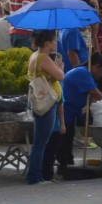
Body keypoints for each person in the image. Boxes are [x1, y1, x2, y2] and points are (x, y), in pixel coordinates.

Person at [25, 30, 65, 185]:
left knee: (40, 142)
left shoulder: (34, 55)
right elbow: (60, 76)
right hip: (47, 102)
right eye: (54, 41)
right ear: (48, 43)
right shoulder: (44, 58)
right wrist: (59, 66)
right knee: (41, 142)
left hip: (43, 100)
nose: (55, 44)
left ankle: (37, 175)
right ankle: (34, 176)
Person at [56, 54, 102, 170]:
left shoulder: (85, 73)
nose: (101, 76)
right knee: (65, 139)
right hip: (66, 110)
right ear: (96, 66)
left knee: (68, 137)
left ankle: (67, 163)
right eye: (101, 72)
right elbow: (95, 93)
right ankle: (63, 165)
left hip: (71, 111)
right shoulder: (82, 73)